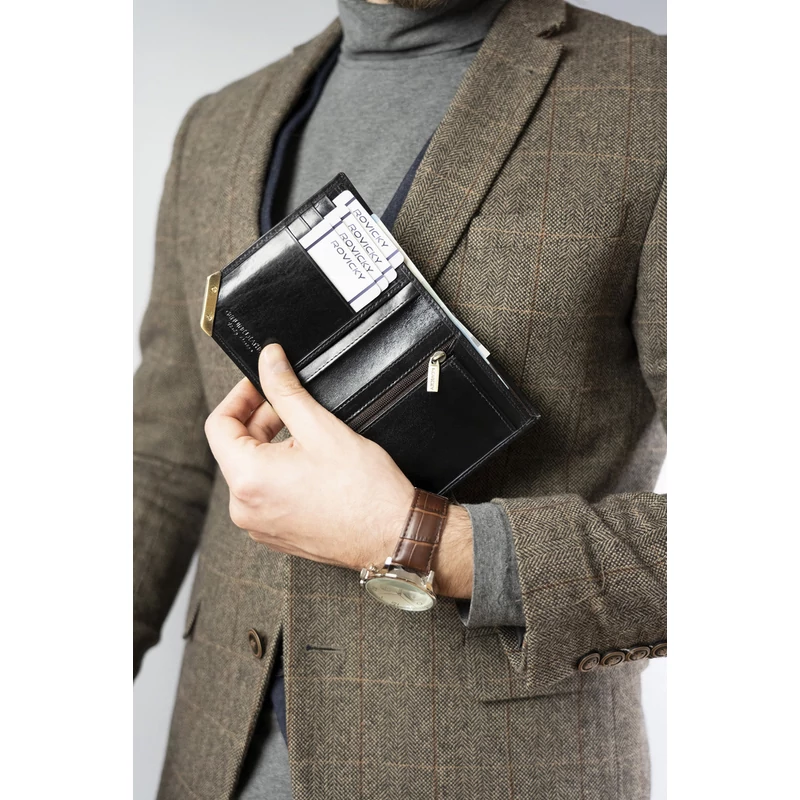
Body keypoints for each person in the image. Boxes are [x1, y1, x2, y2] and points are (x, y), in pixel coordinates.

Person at [133, 0, 667, 797]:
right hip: (215, 766)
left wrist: (428, 542)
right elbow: (162, 464)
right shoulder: (216, 127)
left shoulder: (660, 100)